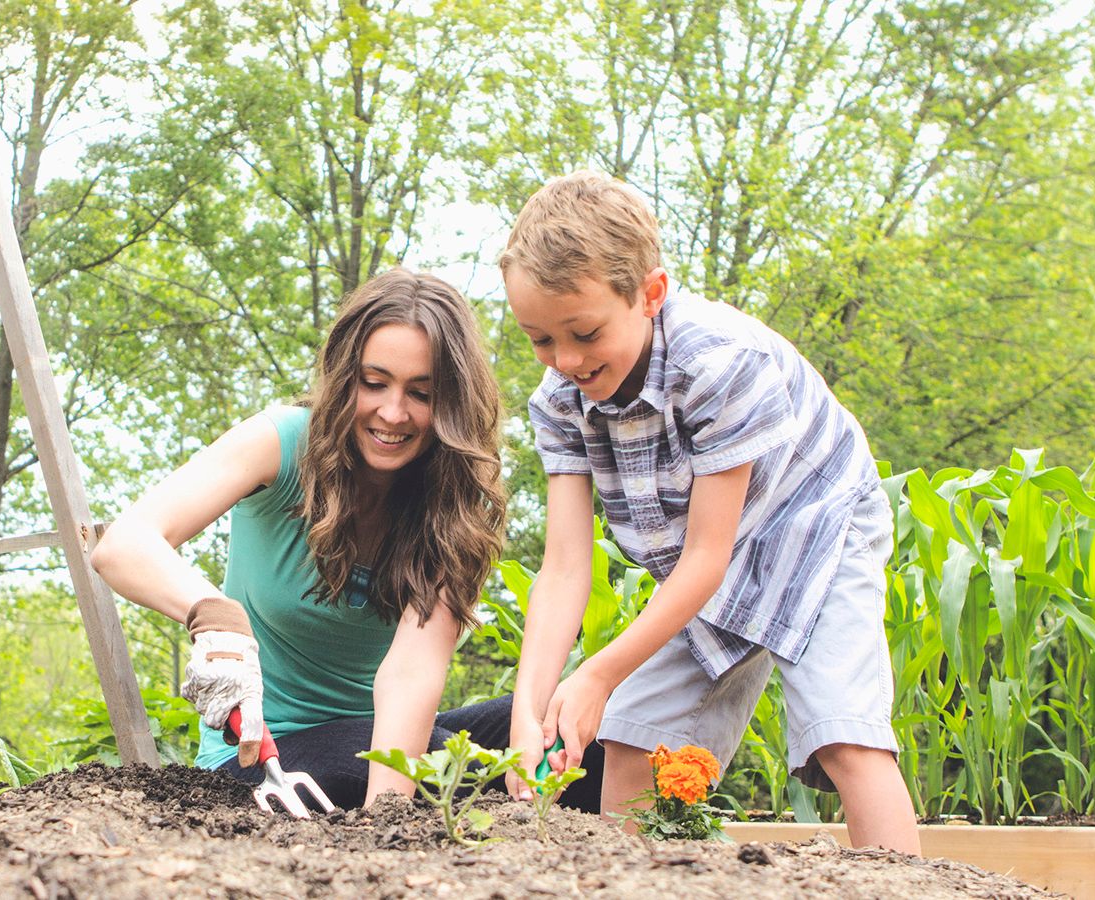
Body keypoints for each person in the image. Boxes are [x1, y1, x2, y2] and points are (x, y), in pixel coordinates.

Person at [498, 171, 920, 852]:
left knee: (843, 732)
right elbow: (565, 568)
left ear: (650, 294)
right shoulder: (558, 402)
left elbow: (706, 560)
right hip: (708, 562)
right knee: (632, 737)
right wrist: (527, 715)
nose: (565, 360)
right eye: (540, 339)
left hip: (817, 523)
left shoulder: (717, 363)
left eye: (583, 332)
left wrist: (599, 672)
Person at [90, 268, 603, 810]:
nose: (392, 412)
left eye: (421, 393)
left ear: (451, 404)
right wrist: (211, 613)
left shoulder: (451, 503)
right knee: (369, 759)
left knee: (574, 731)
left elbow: (412, 675)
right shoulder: (283, 442)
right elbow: (124, 543)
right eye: (374, 383)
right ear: (343, 377)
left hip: (380, 744)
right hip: (261, 762)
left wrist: (387, 818)